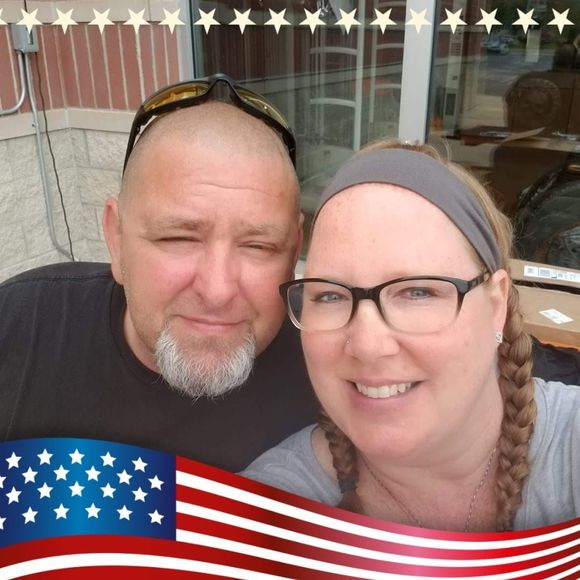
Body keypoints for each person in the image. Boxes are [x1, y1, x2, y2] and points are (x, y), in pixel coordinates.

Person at [243, 141, 580, 531]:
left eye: (418, 292)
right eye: (330, 295)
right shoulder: (268, 510)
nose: (368, 346)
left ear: (496, 305)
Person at [0, 75, 318, 471]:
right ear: (117, 238)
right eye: (178, 238)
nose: (217, 290)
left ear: (293, 252)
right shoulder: (19, 327)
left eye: (259, 246)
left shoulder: (332, 371)